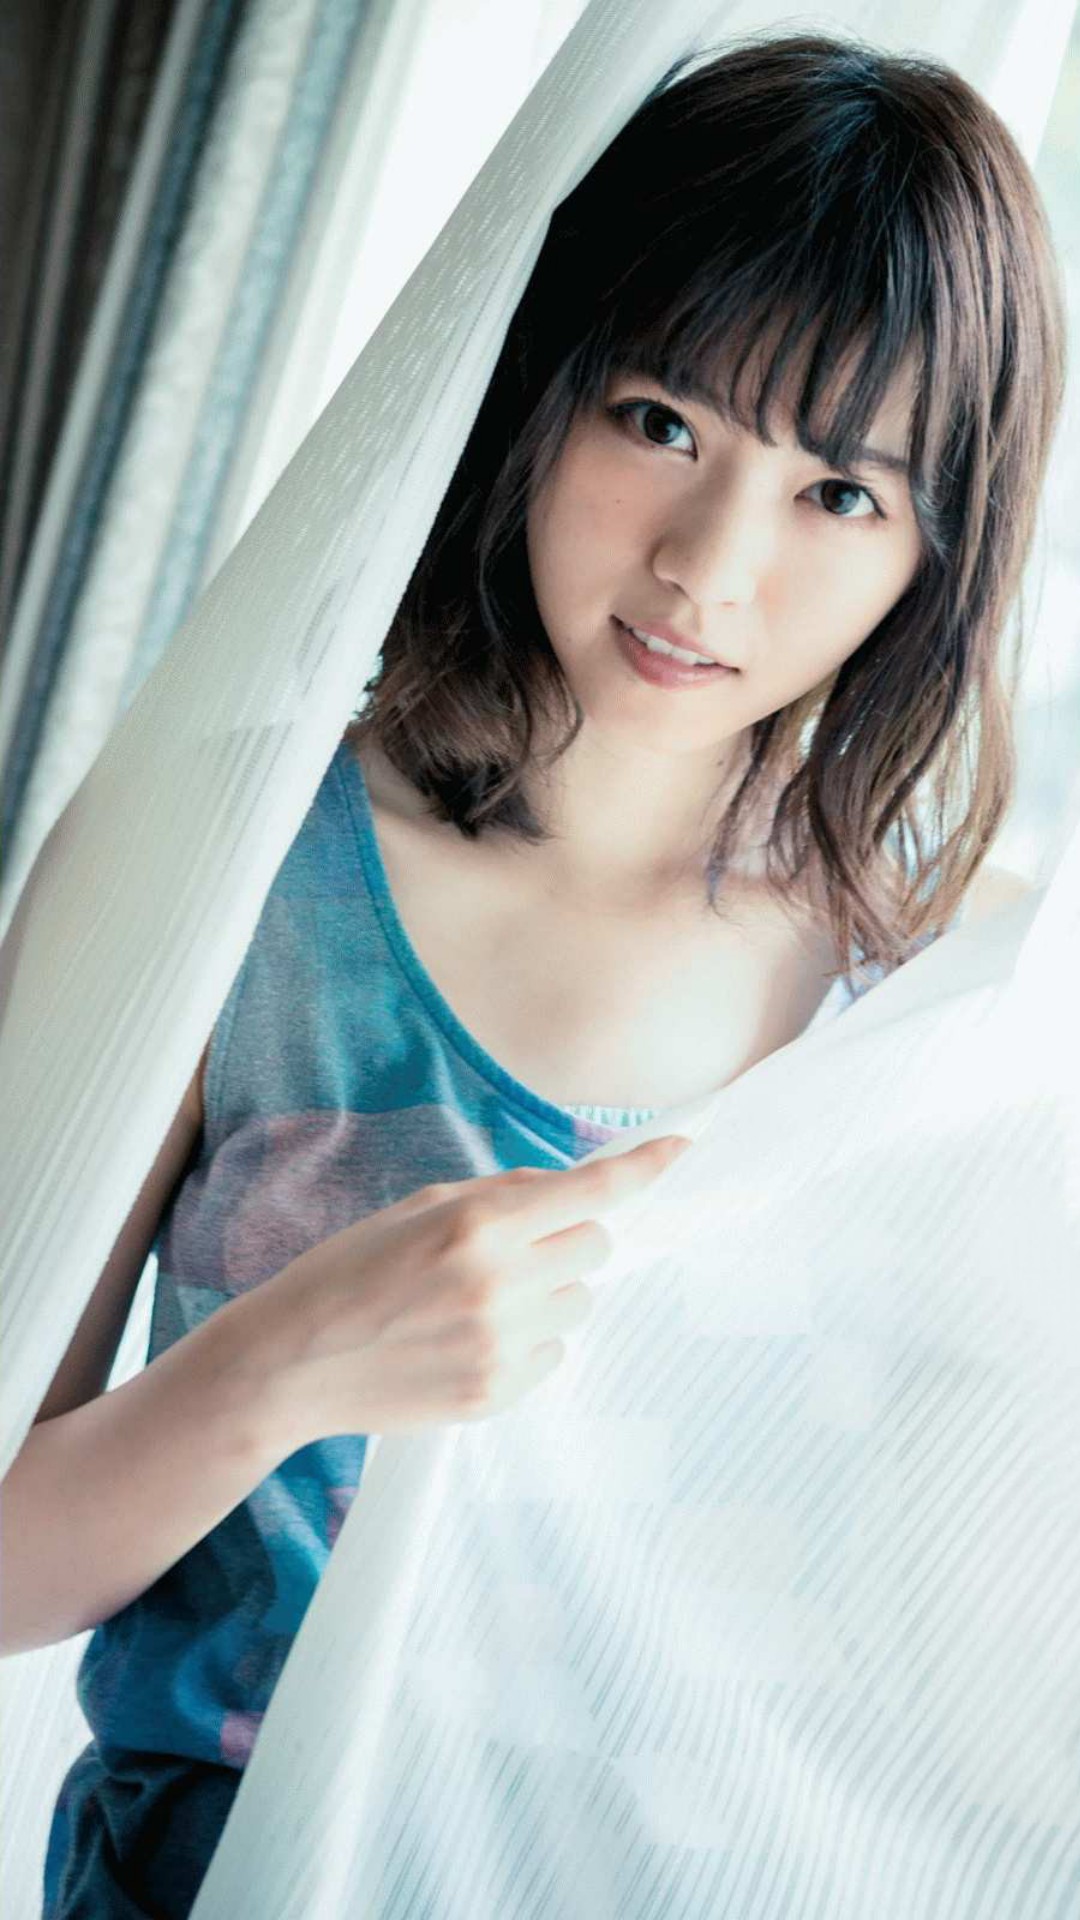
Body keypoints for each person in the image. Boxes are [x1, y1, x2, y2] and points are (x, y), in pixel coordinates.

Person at [21, 30, 1064, 1917]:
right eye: (662, 421)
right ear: (540, 388)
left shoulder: (952, 1002)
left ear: (941, 548)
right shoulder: (230, 855)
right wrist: (279, 1364)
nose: (708, 568)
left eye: (841, 494)